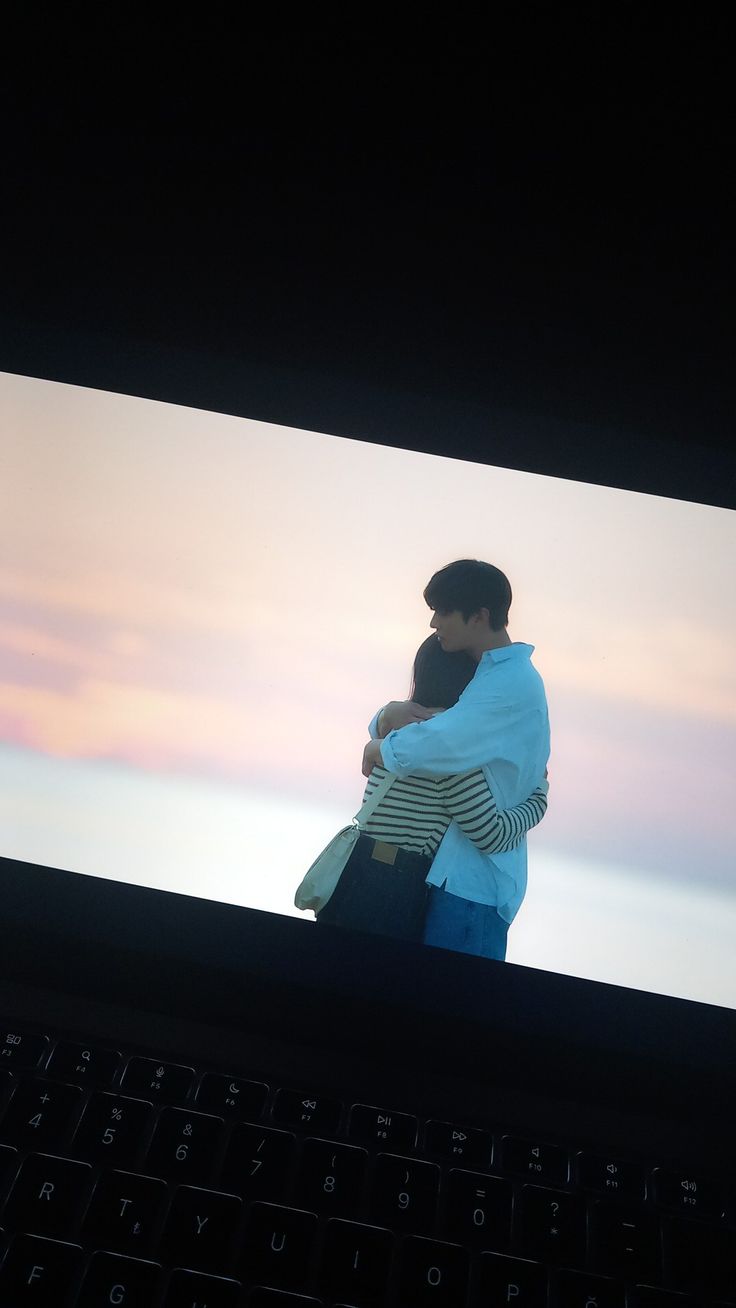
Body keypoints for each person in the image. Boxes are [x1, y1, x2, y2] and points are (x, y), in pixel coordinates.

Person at [361, 559, 550, 961]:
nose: (433, 622)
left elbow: (433, 745)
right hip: (453, 880)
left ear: (479, 616)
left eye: (443, 611)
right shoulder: (493, 676)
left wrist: (378, 744)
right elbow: (438, 732)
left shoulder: (506, 683)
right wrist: (383, 720)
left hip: (472, 887)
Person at [315, 632, 548, 943]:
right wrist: (539, 798)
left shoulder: (397, 731)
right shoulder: (448, 755)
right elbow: (491, 834)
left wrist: (384, 715)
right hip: (394, 888)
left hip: (356, 871)